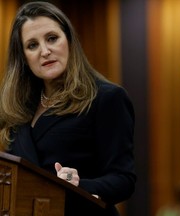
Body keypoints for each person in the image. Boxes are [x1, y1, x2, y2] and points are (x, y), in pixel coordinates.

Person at [0, 1, 136, 215]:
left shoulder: (106, 98)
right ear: (23, 58)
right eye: (32, 45)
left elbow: (123, 180)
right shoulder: (16, 108)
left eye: (52, 38)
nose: (45, 51)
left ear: (69, 41)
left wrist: (80, 184)